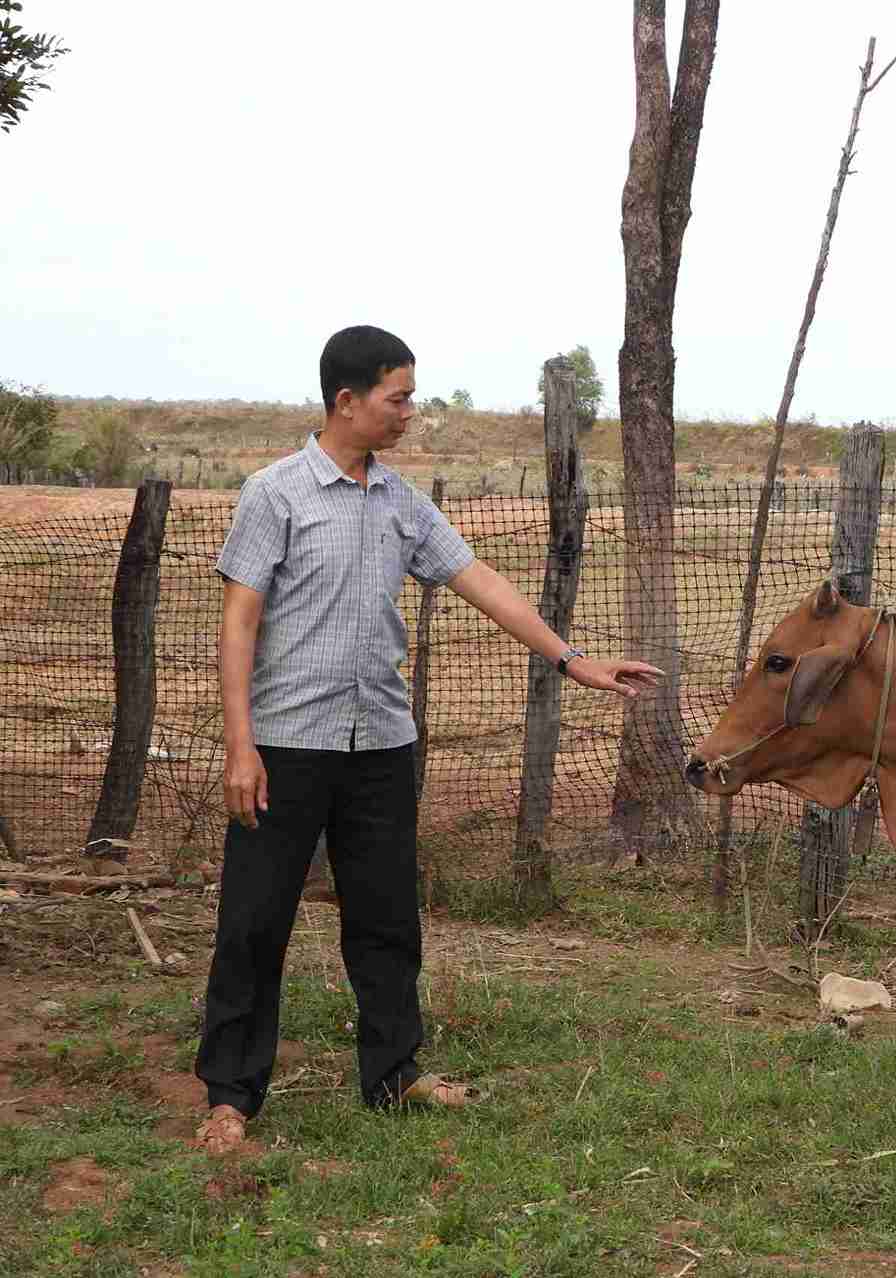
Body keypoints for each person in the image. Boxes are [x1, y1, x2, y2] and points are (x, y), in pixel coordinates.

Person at [193, 325, 661, 1154]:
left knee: (385, 920)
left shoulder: (403, 502)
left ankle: (394, 1076)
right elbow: (239, 620)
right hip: (285, 747)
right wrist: (241, 746)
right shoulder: (275, 494)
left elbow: (478, 579)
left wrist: (571, 657)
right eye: (398, 398)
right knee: (255, 923)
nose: (411, 413)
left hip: (380, 745)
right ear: (347, 401)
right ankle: (231, 1097)